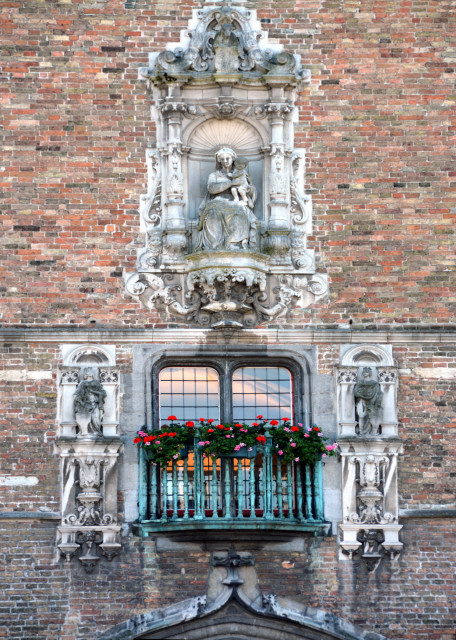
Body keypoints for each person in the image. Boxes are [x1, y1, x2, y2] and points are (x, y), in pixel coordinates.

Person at [196, 148, 257, 251]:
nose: (225, 161)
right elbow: (212, 188)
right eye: (222, 159)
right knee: (212, 214)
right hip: (217, 202)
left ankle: (234, 243)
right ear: (219, 161)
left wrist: (247, 188)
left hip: (235, 203)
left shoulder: (241, 173)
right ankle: (215, 245)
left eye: (227, 158)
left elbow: (251, 190)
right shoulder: (214, 175)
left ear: (233, 159)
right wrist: (231, 183)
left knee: (240, 212)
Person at [354, 366, 383, 435]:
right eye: (364, 372)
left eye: (366, 372)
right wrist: (362, 396)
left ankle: (371, 431)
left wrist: (376, 403)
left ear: (369, 373)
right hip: (361, 400)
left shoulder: (374, 383)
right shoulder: (360, 382)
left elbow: (378, 393)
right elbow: (356, 392)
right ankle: (361, 431)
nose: (365, 373)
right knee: (361, 416)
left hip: (371, 402)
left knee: (371, 416)